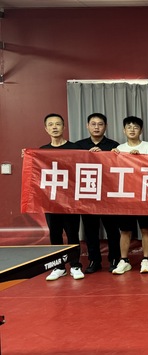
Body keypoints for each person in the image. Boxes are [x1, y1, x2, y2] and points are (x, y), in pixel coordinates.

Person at [111, 116, 148, 275]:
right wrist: (113, 157)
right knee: (125, 230)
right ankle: (124, 260)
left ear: (141, 130)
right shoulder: (119, 148)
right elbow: (113, 171)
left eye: (136, 127)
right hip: (126, 196)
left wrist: (141, 159)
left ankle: (146, 259)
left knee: (145, 229)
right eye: (129, 127)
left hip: (145, 195)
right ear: (124, 130)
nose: (132, 129)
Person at [40, 113, 85, 281]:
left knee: (72, 234)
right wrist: (28, 157)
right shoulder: (42, 151)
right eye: (51, 124)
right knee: (55, 235)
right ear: (46, 129)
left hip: (70, 200)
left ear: (64, 127)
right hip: (51, 200)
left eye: (58, 124)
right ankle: (59, 267)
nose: (54, 127)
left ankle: (75, 265)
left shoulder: (75, 148)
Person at [76, 112, 121, 273]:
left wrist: (107, 156)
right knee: (90, 230)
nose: (96, 127)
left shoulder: (114, 145)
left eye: (100, 124)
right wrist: (87, 156)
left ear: (106, 127)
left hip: (109, 194)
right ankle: (94, 260)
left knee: (112, 230)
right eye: (93, 124)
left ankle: (115, 259)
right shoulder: (79, 146)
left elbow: (120, 167)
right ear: (87, 126)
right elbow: (69, 164)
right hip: (88, 194)